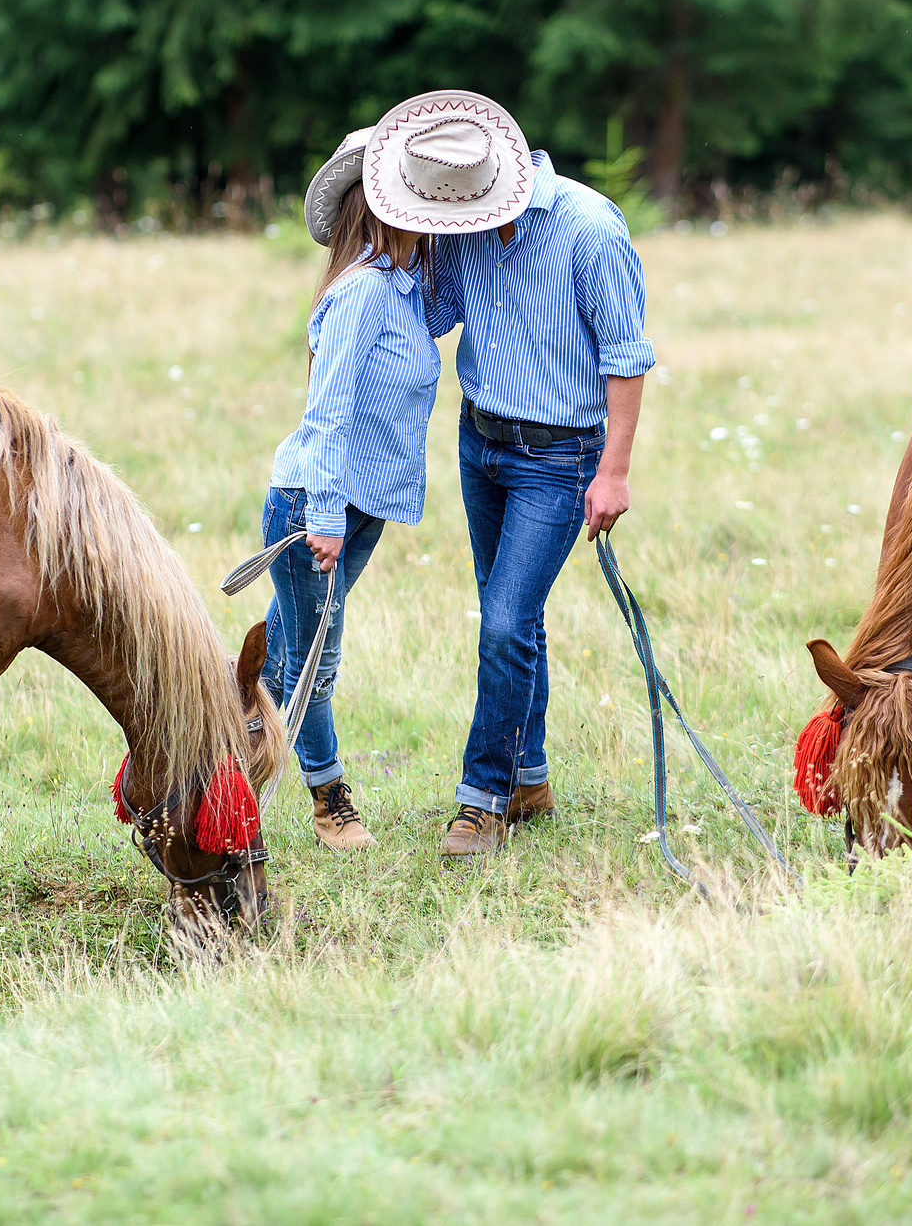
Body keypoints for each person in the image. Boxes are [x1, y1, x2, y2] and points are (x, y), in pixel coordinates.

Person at [357, 90, 653, 860]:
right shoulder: (462, 224)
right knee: (511, 616)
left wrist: (613, 472)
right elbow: (437, 308)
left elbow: (626, 358)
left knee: (503, 623)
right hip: (480, 438)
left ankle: (481, 800)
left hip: (560, 457)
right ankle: (528, 775)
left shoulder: (589, 231)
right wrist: (362, 300)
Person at [258, 130, 441, 850]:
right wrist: (326, 516)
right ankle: (330, 802)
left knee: (282, 655)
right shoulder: (362, 293)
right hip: (318, 504)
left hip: (360, 506)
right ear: (387, 208)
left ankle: (222, 769)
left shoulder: (400, 288)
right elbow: (327, 414)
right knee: (313, 662)